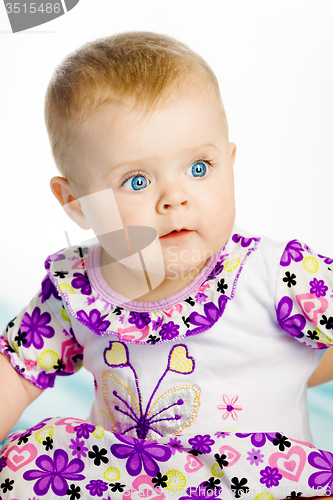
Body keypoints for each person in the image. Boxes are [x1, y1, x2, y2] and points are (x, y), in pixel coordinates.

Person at [0, 31, 332, 499]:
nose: (175, 198)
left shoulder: (275, 274)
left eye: (199, 168)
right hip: (130, 481)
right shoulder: (79, 291)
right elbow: (15, 369)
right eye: (136, 180)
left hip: (260, 483)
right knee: (24, 474)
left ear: (230, 163)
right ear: (75, 202)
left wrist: (301, 363)